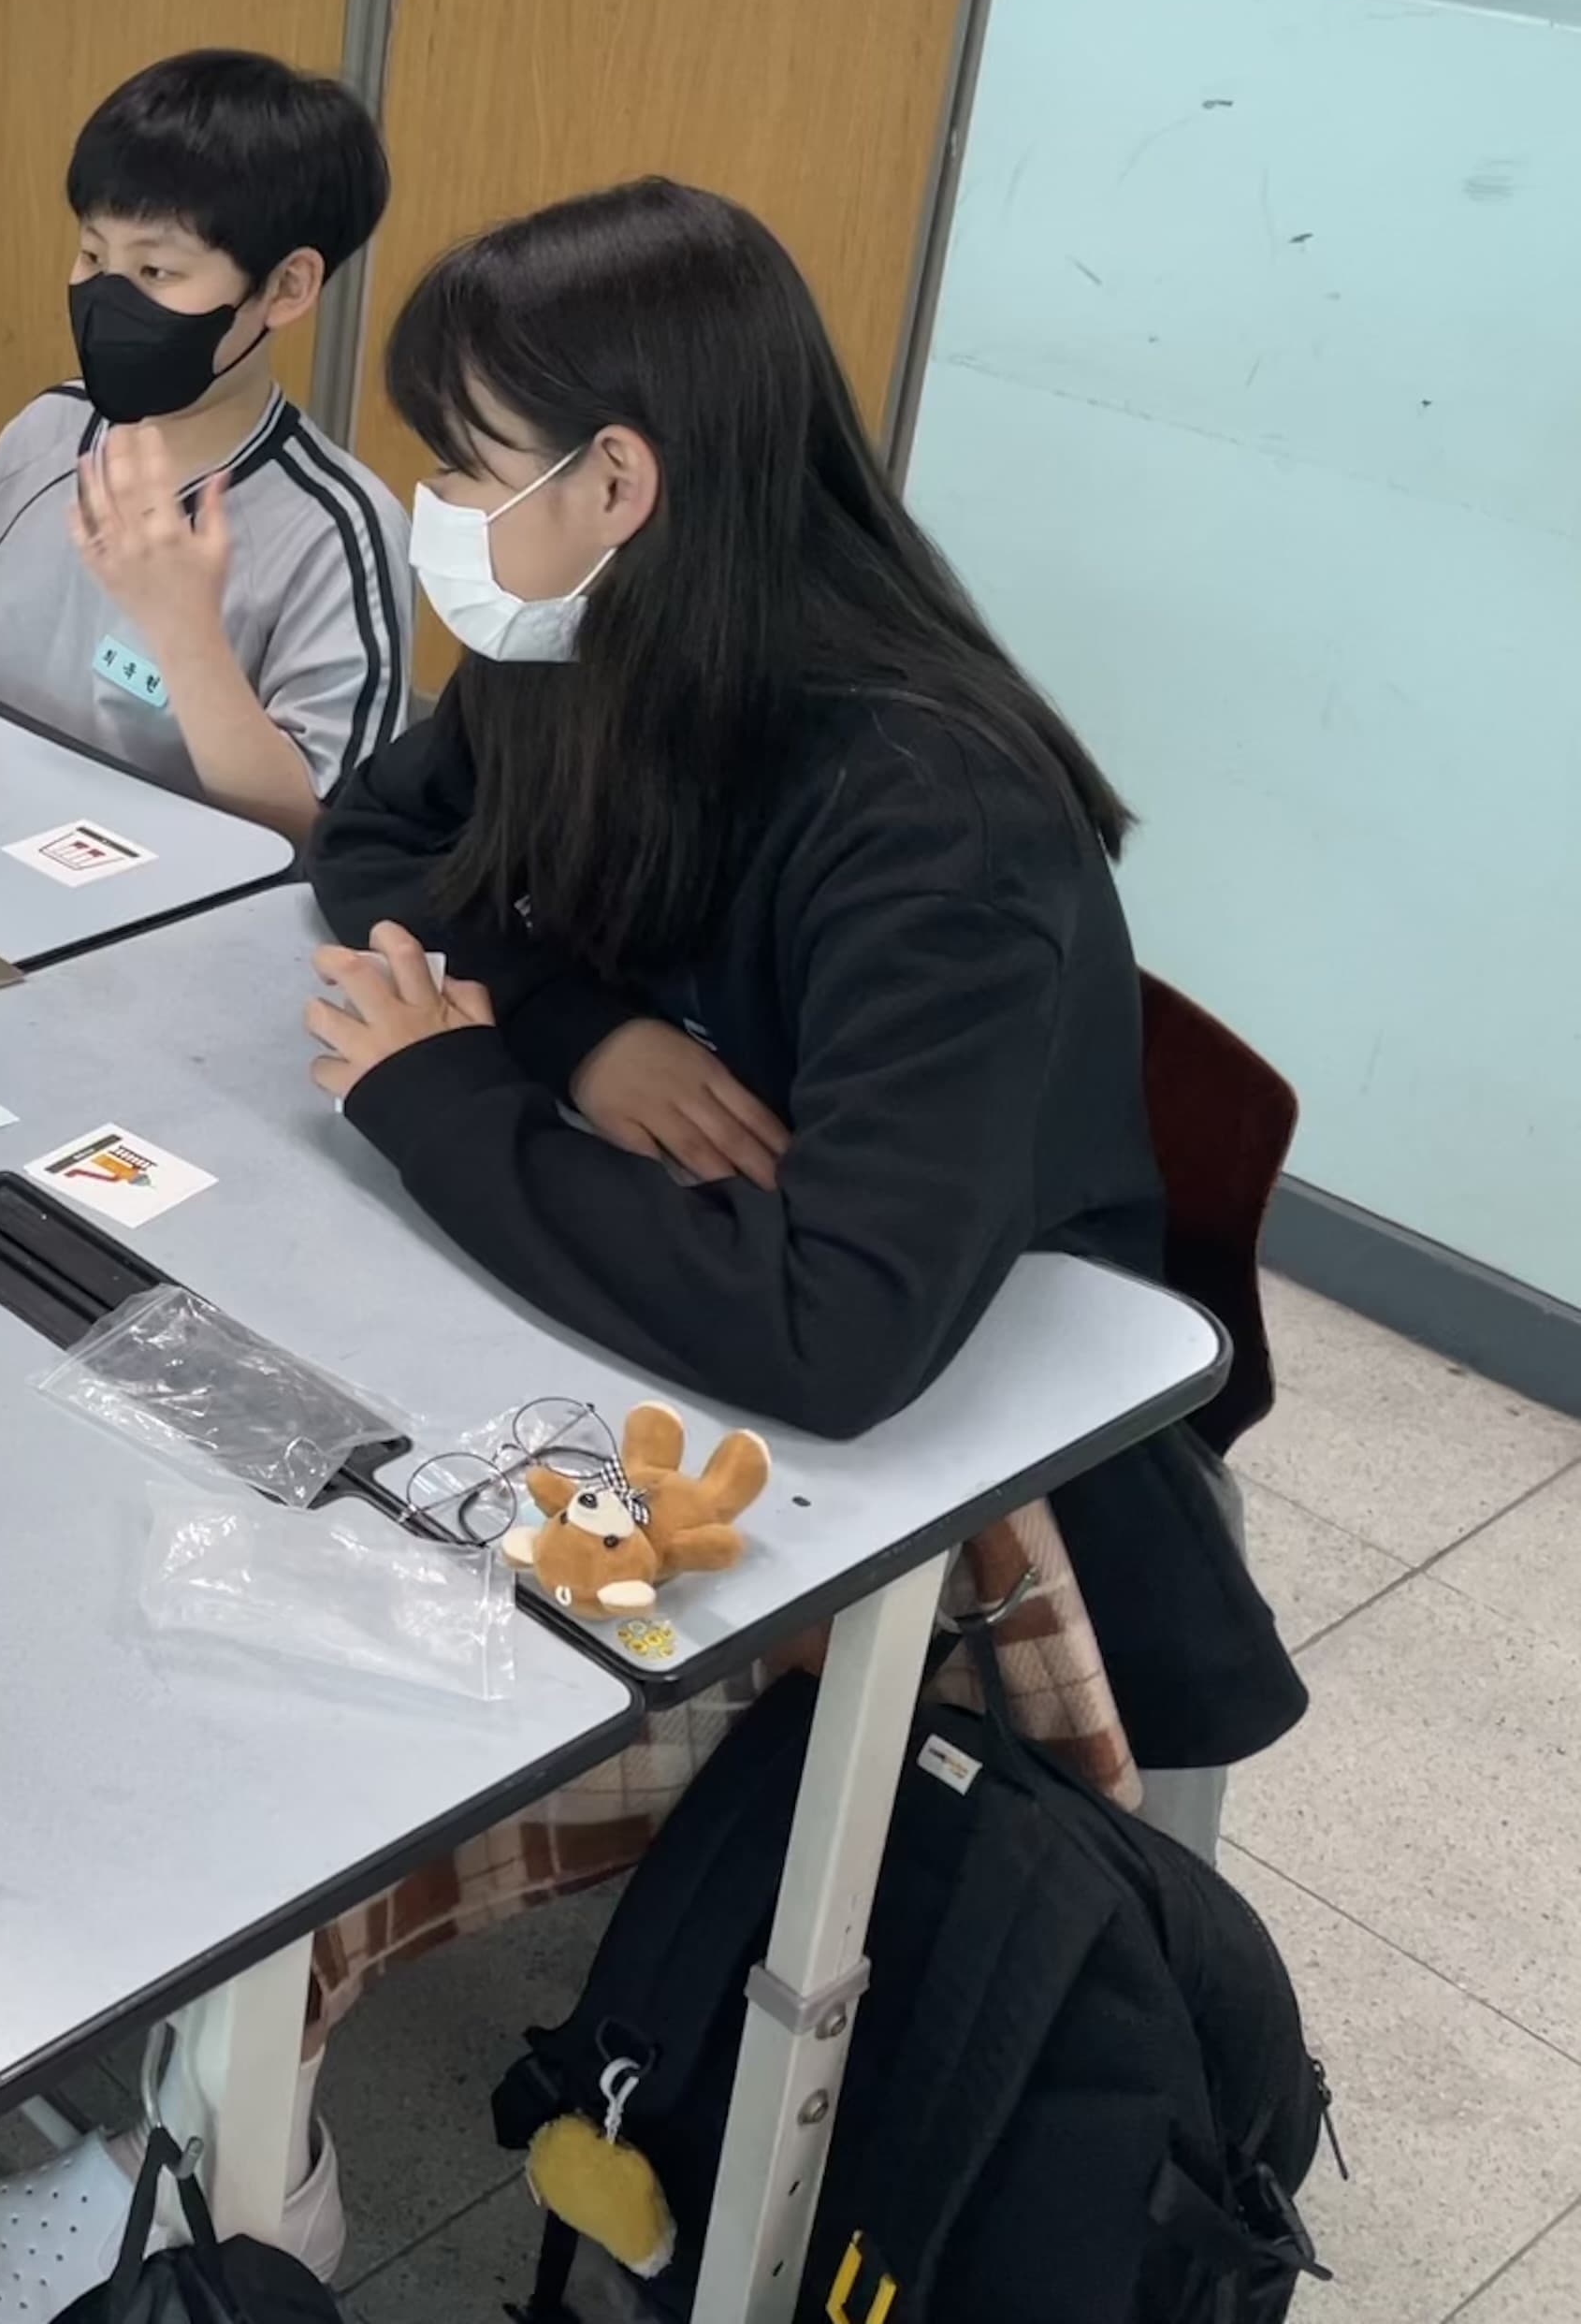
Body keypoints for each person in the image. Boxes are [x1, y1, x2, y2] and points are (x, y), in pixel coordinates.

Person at [299, 177, 1298, 1770]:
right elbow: (375, 834)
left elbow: (835, 1339)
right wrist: (574, 1029)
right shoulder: (576, 641)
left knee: (374, 1691)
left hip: (960, 1455)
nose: (440, 505)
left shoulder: (933, 818)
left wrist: (440, 1097)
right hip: (667, 1260)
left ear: (614, 480)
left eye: (466, 463)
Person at [0, 49, 410, 839]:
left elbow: (318, 830)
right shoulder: (50, 429)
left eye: (156, 270)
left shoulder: (337, 528)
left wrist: (183, 630)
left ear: (286, 287)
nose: (107, 295)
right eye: (92, 255)